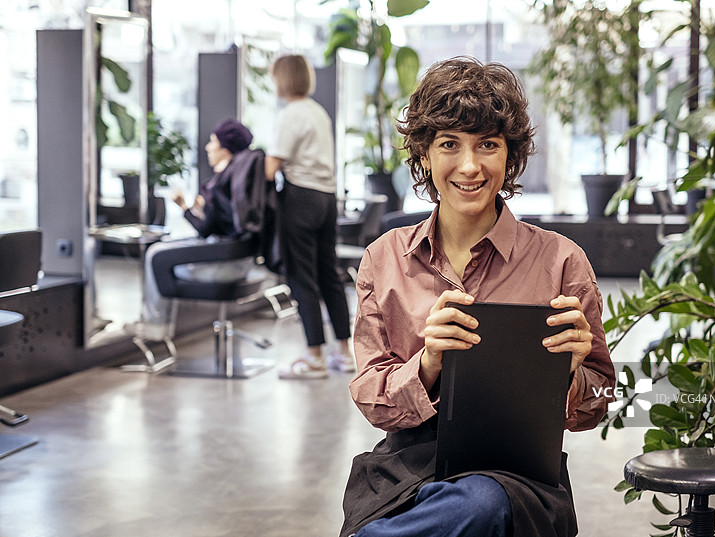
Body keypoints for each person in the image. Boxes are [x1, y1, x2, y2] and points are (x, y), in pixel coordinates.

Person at [338, 57, 616, 537]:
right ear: (424, 154)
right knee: (461, 508)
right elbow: (372, 398)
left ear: (510, 156)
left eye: (488, 144)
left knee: (483, 501)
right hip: (405, 473)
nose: (470, 166)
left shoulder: (561, 262)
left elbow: (600, 399)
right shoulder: (383, 260)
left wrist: (570, 373)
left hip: (520, 476)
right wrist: (427, 363)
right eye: (450, 144)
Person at [127, 117, 265, 340]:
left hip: (224, 267)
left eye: (213, 142)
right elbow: (223, 224)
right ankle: (158, 324)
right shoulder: (241, 182)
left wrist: (184, 207)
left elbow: (205, 230)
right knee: (164, 251)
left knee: (156, 255)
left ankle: (155, 325)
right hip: (242, 264)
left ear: (226, 148)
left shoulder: (221, 185)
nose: (208, 147)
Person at [264, 54, 355, 379]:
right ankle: (344, 352)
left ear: (283, 79)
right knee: (329, 274)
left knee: (302, 276)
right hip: (326, 199)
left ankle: (314, 356)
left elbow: (272, 167)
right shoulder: (318, 112)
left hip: (300, 198)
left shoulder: (291, 114)